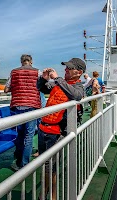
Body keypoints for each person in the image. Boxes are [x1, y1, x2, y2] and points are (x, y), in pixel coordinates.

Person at [37, 57, 86, 200]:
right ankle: (48, 194)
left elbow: (76, 96)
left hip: (56, 132)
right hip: (43, 128)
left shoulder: (78, 86)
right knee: (45, 164)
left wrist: (57, 78)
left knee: (49, 166)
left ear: (79, 72)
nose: (66, 70)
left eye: (69, 68)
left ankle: (48, 195)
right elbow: (41, 88)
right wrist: (43, 78)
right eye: (66, 68)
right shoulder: (59, 84)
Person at [4, 54, 42, 171]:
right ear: (31, 62)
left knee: (20, 134)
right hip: (32, 105)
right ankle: (25, 164)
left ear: (21, 62)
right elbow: (42, 87)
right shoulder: (37, 72)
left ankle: (19, 160)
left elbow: (6, 89)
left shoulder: (14, 72)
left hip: (17, 106)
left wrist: (16, 88)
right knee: (29, 135)